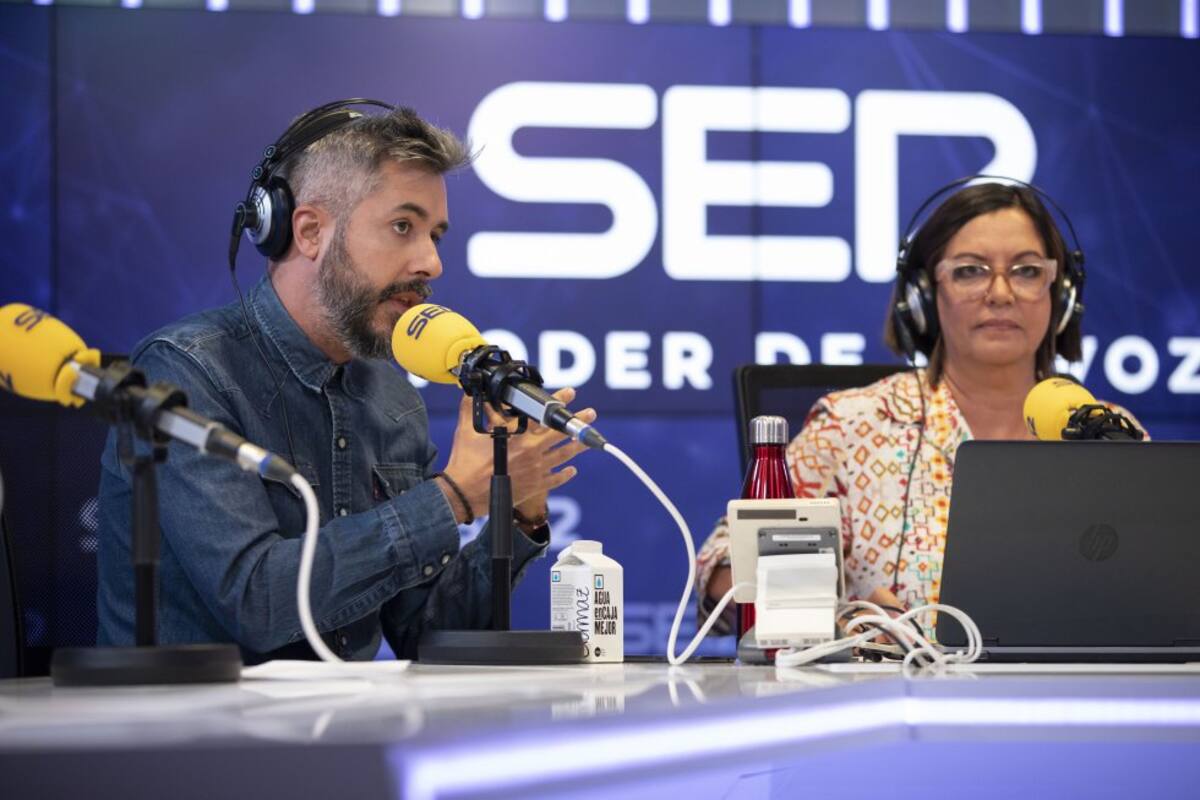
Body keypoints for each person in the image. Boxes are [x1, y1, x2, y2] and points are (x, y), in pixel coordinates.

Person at [96, 101, 594, 662]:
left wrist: (518, 510)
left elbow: (425, 634)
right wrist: (453, 497)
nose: (432, 262)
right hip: (199, 715)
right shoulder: (184, 372)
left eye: (435, 235)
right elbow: (257, 602)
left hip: (346, 715)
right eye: (403, 226)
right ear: (309, 231)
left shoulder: (392, 397)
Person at [696, 180, 1142, 633]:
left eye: (1026, 271)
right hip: (901, 680)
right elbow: (725, 568)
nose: (1001, 293)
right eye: (970, 271)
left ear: (1061, 293)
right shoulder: (852, 426)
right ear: (923, 296)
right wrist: (840, 621)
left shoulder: (1106, 432)